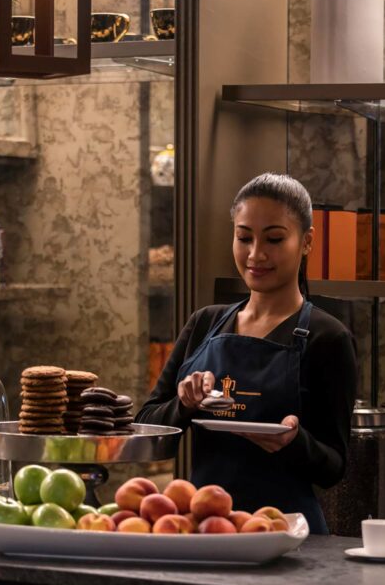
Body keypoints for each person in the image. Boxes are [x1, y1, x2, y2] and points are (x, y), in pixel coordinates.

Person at [137, 173, 358, 534]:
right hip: (207, 530)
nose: (256, 254)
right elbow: (147, 427)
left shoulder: (328, 338)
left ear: (306, 242)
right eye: (244, 237)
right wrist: (184, 404)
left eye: (274, 238)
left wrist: (293, 442)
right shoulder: (204, 324)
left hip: (287, 536)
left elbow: (333, 467)